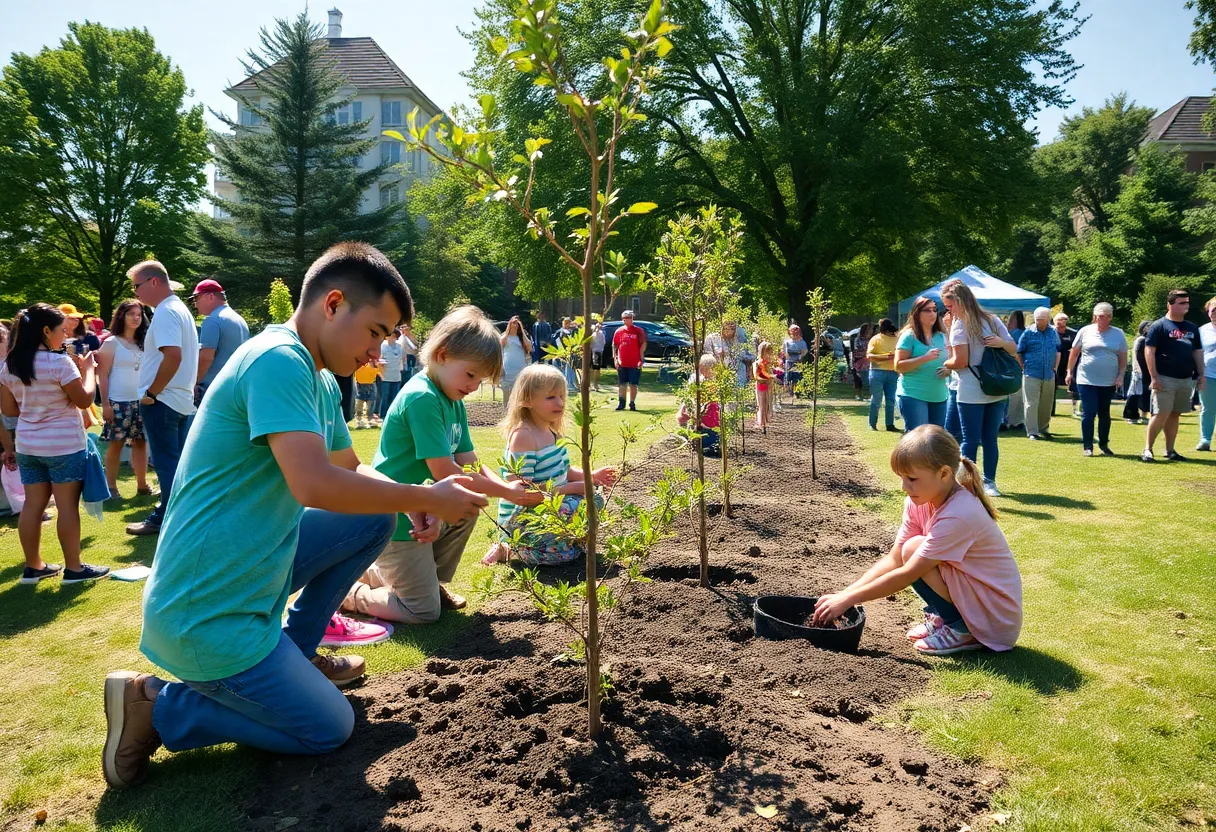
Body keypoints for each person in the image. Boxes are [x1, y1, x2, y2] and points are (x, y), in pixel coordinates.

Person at [102, 242, 489, 790]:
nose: (379, 351)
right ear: (333, 304)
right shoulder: (277, 359)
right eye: (376, 331)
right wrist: (419, 498)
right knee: (328, 727)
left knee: (372, 520)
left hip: (248, 570)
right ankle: (159, 708)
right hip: (207, 612)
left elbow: (350, 468)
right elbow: (314, 484)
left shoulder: (316, 374)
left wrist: (415, 495)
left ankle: (298, 653)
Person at [342, 306, 544, 625]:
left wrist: (504, 488)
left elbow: (469, 464)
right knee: (423, 611)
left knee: (468, 507)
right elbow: (446, 474)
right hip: (396, 519)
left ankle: (423, 581)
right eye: (470, 375)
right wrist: (507, 492)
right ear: (443, 354)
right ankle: (348, 592)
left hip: (423, 510)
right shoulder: (423, 397)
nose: (474, 386)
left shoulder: (452, 399)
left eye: (480, 379)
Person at [810, 425, 1022, 656]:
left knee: (913, 550)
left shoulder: (959, 514)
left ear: (943, 474)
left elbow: (908, 573)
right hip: (976, 599)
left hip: (994, 617)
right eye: (901, 478)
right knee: (910, 549)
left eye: (911, 478)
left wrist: (848, 599)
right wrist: (844, 595)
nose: (904, 486)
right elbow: (894, 558)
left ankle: (963, 630)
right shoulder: (918, 500)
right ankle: (948, 618)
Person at [0, 304, 111, 585]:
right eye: (62, 330)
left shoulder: (8, 365)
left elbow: (10, 411)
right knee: (67, 506)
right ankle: (74, 569)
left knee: (32, 506)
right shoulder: (58, 363)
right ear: (46, 331)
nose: (65, 336)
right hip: (63, 446)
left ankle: (34, 566)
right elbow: (85, 400)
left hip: (28, 445)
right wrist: (88, 371)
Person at [481, 364, 616, 566]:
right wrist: (571, 488)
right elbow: (523, 494)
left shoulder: (552, 431)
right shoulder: (524, 436)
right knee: (562, 554)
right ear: (527, 400)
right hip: (522, 519)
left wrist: (591, 477)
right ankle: (510, 547)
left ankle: (565, 542)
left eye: (562, 396)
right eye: (551, 397)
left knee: (594, 498)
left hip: (550, 504)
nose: (560, 402)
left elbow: (564, 471)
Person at [125, 262, 199, 537]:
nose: (135, 293)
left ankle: (165, 517)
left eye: (137, 286)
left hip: (164, 400)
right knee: (178, 463)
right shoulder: (179, 309)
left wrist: (151, 393)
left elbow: (173, 356)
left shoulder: (167, 311)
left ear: (153, 282)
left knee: (167, 463)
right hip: (178, 399)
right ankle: (180, 514)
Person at [941, 280, 1016, 497]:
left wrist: (944, 363)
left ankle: (968, 485)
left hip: (971, 389)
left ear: (960, 302)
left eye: (950, 306)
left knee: (970, 439)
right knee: (989, 439)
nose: (949, 310)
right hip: (996, 386)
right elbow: (1013, 347)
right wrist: (1000, 343)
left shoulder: (961, 324)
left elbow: (960, 362)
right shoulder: (991, 320)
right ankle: (988, 483)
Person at [97, 300, 153, 500]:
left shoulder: (144, 342)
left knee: (140, 442)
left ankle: (142, 485)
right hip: (118, 401)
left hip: (141, 400)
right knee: (116, 444)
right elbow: (102, 374)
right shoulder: (111, 343)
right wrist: (105, 404)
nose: (136, 318)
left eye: (139, 314)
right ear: (121, 316)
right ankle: (111, 488)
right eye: (131, 314)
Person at [1143, 289, 1205, 462]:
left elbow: (1197, 351)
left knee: (1175, 414)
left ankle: (1170, 450)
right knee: (1161, 413)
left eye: (1187, 302)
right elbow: (1149, 351)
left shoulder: (1192, 327)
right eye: (1182, 302)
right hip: (1164, 378)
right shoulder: (1159, 326)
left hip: (1185, 379)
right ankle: (1148, 449)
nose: (1187, 305)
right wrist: (1154, 377)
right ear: (1170, 304)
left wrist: (1202, 373)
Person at [1066, 303, 1127, 457]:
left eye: (1107, 316)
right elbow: (1074, 353)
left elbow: (1122, 357)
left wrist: (1120, 375)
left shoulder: (1118, 334)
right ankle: (1088, 446)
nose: (1104, 319)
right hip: (1086, 379)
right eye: (1101, 316)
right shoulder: (1085, 331)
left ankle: (1104, 444)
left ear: (1111, 317)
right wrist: (1069, 371)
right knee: (1089, 412)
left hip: (1108, 381)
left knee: (1104, 413)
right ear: (1095, 316)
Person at [893, 297, 949, 431]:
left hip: (939, 395)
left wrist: (949, 370)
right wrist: (924, 358)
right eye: (927, 310)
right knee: (918, 440)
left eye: (935, 310)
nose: (933, 314)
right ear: (917, 314)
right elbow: (898, 366)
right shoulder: (909, 336)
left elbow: (950, 361)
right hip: (913, 394)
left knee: (936, 441)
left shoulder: (942, 336)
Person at [191, 280, 250, 405]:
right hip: (237, 389)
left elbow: (206, 358)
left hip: (214, 390)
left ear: (210, 296)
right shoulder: (239, 320)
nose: (195, 304)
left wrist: (192, 382)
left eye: (196, 298)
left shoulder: (213, 320)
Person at [1017, 307, 1061, 441]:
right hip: (1031, 372)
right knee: (1031, 403)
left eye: (1042, 319)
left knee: (1046, 404)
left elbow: (1057, 349)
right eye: (1037, 319)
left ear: (1048, 319)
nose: (1039, 322)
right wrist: (1023, 365)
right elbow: (1019, 351)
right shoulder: (1028, 332)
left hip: (1048, 373)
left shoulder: (1053, 332)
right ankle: (1032, 431)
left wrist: (1055, 366)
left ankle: (1044, 428)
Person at [676, 354, 722, 456]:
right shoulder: (698, 379)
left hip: (709, 413)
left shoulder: (715, 383)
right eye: (700, 368)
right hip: (700, 413)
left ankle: (710, 444)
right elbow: (691, 396)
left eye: (703, 368)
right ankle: (697, 442)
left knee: (709, 428)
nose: (700, 370)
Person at [866, 318, 900, 432]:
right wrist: (886, 356)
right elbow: (869, 356)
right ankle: (872, 423)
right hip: (877, 371)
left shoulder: (898, 340)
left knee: (890, 400)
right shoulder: (875, 339)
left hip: (893, 372)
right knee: (877, 399)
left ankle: (890, 424)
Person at [613, 310, 646, 411]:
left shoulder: (638, 331)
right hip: (622, 362)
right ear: (623, 319)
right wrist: (615, 358)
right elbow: (614, 345)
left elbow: (643, 344)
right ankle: (621, 403)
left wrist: (641, 358)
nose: (628, 320)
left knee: (633, 384)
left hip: (635, 362)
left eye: (630, 318)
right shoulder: (619, 331)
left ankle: (632, 403)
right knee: (622, 384)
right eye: (626, 318)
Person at [705, 320, 750, 390]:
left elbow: (746, 356)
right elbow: (708, 356)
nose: (729, 331)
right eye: (726, 328)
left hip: (737, 373)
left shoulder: (738, 340)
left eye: (732, 329)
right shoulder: (712, 338)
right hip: (719, 371)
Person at [1122, 321, 1152, 425]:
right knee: (1134, 393)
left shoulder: (1149, 340)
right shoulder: (1140, 340)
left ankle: (1144, 415)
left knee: (1145, 394)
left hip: (1147, 371)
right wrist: (1137, 369)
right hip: (1139, 371)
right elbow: (1135, 356)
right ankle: (1131, 415)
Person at [940, 312, 963, 443]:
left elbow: (958, 360)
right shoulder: (943, 336)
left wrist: (948, 366)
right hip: (952, 386)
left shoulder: (960, 332)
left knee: (952, 432)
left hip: (959, 386)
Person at [1002, 311, 1026, 431]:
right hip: (1021, 368)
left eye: (1011, 320)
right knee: (1019, 397)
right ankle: (1018, 421)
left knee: (1009, 396)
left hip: (1011, 367)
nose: (1009, 322)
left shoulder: (1012, 334)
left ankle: (1007, 420)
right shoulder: (1025, 333)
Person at [499, 316, 532, 400]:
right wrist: (507, 331)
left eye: (517, 324)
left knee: (520, 392)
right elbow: (500, 345)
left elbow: (530, 347)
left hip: (521, 367)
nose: (515, 325)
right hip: (508, 368)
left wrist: (523, 333)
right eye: (513, 323)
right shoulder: (505, 337)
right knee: (507, 394)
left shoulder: (522, 337)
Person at [1198, 298, 1216, 451]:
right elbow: (1197, 353)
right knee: (1208, 408)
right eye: (1213, 310)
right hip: (1207, 375)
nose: (1215, 313)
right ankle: (1205, 440)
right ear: (1208, 312)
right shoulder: (1202, 331)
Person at [1052, 312, 1078, 417]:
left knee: (1073, 387)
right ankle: (1051, 410)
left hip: (1069, 362)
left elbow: (1076, 348)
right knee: (1052, 386)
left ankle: (1076, 409)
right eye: (1058, 320)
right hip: (1055, 362)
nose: (1060, 323)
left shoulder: (1072, 333)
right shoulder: (1051, 332)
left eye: (1063, 320)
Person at [378, 328, 406, 419]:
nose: (390, 337)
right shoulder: (382, 346)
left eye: (393, 335)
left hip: (396, 376)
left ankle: (393, 414)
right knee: (385, 396)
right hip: (385, 375)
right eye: (389, 335)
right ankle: (383, 415)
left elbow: (403, 359)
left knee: (394, 396)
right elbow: (379, 359)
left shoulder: (399, 346)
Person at [754, 342, 776, 432]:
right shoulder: (758, 363)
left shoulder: (768, 364)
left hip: (768, 385)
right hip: (761, 385)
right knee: (762, 403)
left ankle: (766, 421)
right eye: (767, 352)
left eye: (770, 353)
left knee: (767, 403)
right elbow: (756, 376)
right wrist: (767, 377)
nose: (769, 355)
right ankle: (761, 423)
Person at [781, 324, 808, 399]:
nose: (794, 334)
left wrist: (800, 357)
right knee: (787, 376)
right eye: (792, 332)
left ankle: (797, 391)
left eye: (796, 332)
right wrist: (787, 357)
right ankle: (788, 390)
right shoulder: (787, 342)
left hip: (797, 361)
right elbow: (784, 351)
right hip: (788, 361)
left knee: (797, 376)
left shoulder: (802, 342)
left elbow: (804, 351)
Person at [352, 358, 378, 429]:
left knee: (370, 406)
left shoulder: (373, 366)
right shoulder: (357, 365)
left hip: (370, 386)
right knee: (358, 406)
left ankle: (370, 421)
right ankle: (359, 422)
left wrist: (374, 365)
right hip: (360, 385)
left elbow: (376, 373)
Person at [851, 323, 872, 401]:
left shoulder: (870, 340)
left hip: (867, 361)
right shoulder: (858, 339)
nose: (870, 332)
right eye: (868, 330)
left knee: (868, 378)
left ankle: (869, 395)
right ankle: (857, 394)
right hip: (859, 361)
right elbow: (857, 350)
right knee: (858, 378)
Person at [589, 318, 606, 392]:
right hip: (591, 352)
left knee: (596, 369)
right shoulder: (592, 332)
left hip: (596, 352)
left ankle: (595, 385)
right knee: (591, 369)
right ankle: (590, 385)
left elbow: (603, 343)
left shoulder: (600, 334)